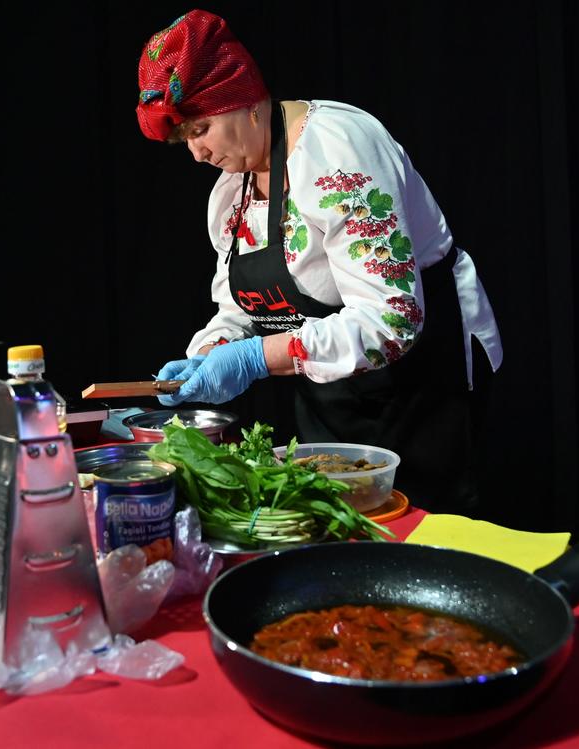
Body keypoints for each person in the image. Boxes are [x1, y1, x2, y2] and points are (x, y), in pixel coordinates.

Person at [136, 10, 502, 511]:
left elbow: (391, 321)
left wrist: (255, 359)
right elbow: (241, 308)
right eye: (186, 141)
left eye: (202, 129)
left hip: (420, 380)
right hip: (330, 393)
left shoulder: (336, 153)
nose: (197, 153)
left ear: (243, 100)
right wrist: (211, 352)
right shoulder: (233, 192)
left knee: (424, 537)